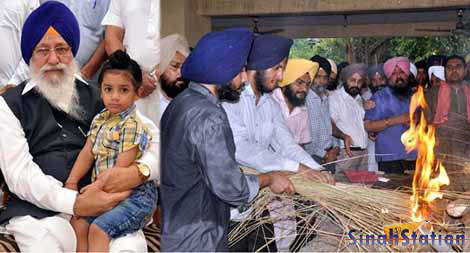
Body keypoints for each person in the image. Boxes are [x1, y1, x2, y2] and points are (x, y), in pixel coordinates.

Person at [0, 2, 159, 252]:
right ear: (30, 54)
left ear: (72, 51)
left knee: (129, 247)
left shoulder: (103, 97)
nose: (53, 59)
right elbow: (19, 175)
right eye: (43, 50)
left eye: (61, 49)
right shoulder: (9, 105)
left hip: (104, 208)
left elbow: (154, 138)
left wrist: (141, 171)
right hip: (40, 216)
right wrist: (76, 203)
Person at [160, 28, 296, 252]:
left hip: (177, 227)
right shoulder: (209, 115)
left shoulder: (181, 103)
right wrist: (269, 178)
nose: (244, 78)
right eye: (240, 70)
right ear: (222, 70)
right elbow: (232, 188)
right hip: (201, 235)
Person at [64, 50, 157, 252]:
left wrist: (95, 190)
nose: (114, 97)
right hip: (104, 190)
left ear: (137, 92)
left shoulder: (132, 124)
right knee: (78, 224)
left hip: (133, 196)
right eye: (108, 89)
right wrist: (71, 182)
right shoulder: (99, 119)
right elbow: (87, 153)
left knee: (98, 229)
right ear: (101, 91)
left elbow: (119, 173)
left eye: (123, 90)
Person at [102, 0, 161, 126]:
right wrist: (134, 74)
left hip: (168, 86)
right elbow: (112, 37)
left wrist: (157, 76)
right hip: (129, 83)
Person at [364, 57, 417, 174]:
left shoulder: (417, 96)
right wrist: (396, 120)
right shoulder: (379, 97)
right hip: (389, 158)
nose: (398, 76)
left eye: (402, 72)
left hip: (415, 155)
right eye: (394, 73)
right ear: (388, 77)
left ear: (408, 74)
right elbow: (368, 126)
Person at [305, 55, 352, 174]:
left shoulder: (325, 98)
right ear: (310, 77)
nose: (321, 81)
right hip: (311, 157)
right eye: (317, 77)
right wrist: (325, 154)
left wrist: (335, 148)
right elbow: (303, 138)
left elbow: (329, 128)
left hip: (329, 156)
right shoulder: (303, 100)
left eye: (325, 78)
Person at [425, 55, 470, 167]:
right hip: (441, 153)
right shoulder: (432, 94)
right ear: (445, 72)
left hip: (467, 152)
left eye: (458, 67)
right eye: (449, 67)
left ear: (465, 71)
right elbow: (424, 124)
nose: (454, 70)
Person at [329, 64, 369, 172]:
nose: (356, 84)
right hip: (346, 154)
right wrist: (344, 136)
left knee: (363, 187)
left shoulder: (360, 99)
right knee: (343, 186)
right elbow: (330, 124)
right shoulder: (335, 98)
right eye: (352, 80)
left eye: (360, 81)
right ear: (345, 80)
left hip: (364, 153)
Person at [271, 58, 318, 146]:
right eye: (299, 83)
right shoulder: (269, 102)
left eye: (308, 85)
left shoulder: (302, 110)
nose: (304, 89)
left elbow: (301, 145)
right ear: (286, 81)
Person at [158, 33, 190, 117]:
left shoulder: (193, 102)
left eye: (184, 67)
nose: (180, 72)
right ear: (162, 66)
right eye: (175, 66)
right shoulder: (146, 104)